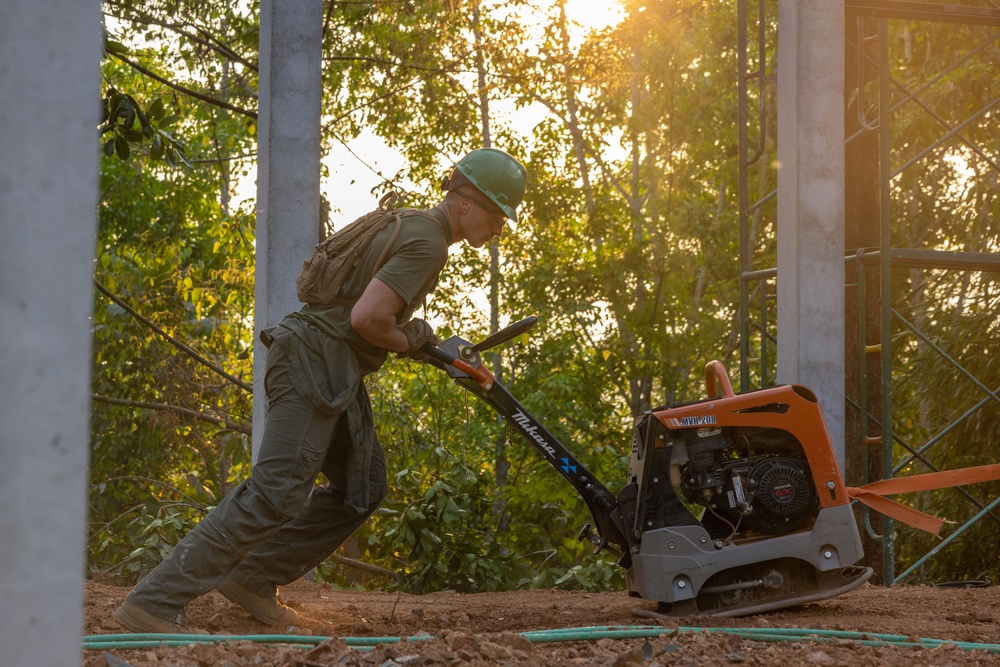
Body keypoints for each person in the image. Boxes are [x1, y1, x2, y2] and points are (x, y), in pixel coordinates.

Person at [114, 147, 527, 633]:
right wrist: (407, 339)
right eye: (498, 212)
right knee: (275, 493)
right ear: (465, 201)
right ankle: (155, 602)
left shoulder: (411, 223)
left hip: (331, 362)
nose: (500, 226)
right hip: (316, 359)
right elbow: (368, 318)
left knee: (362, 487)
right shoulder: (429, 242)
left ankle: (253, 577)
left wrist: (408, 337)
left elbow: (362, 312)